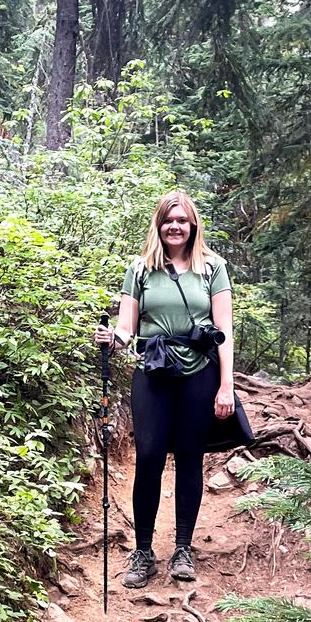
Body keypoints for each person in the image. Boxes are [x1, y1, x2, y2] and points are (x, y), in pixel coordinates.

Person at [95, 189, 234, 588]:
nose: (175, 226)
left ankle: (183, 549)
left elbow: (223, 331)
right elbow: (127, 327)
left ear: (193, 226)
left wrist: (226, 386)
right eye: (168, 220)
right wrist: (112, 338)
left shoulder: (213, 267)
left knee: (190, 459)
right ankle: (143, 553)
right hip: (152, 372)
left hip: (199, 373)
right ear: (159, 225)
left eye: (182, 220)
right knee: (150, 457)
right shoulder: (140, 269)